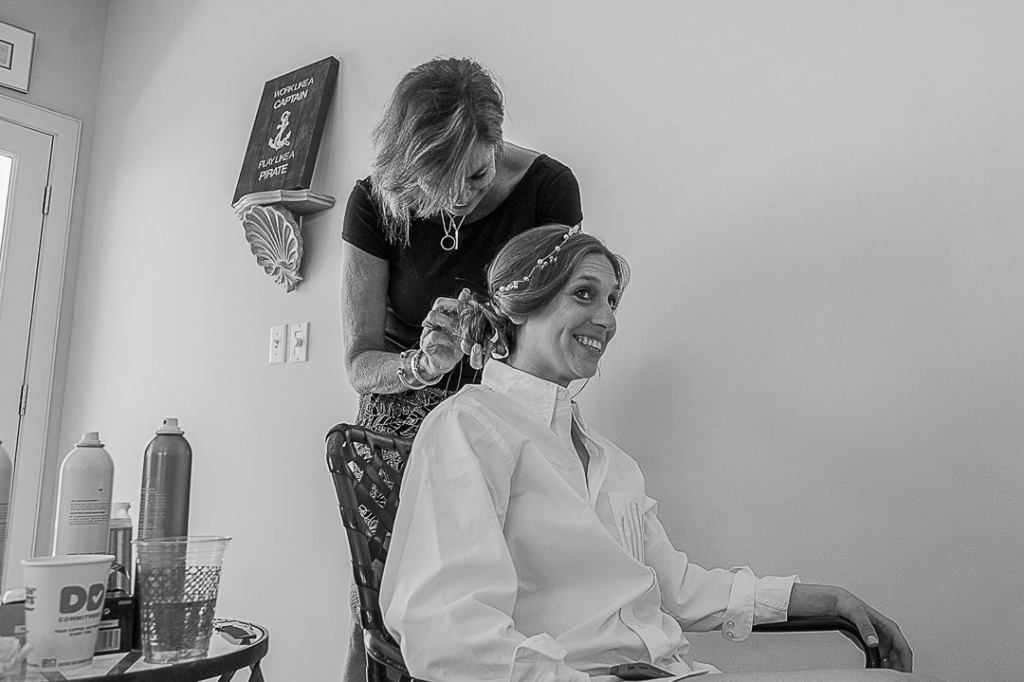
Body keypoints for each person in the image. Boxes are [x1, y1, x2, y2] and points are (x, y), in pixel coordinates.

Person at [380, 225, 944, 682]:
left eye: (612, 300)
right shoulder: (468, 427)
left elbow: (680, 589)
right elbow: (449, 632)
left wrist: (826, 597)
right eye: (585, 293)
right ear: (521, 304)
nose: (606, 318)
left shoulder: (611, 462)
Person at [340, 58, 583, 681]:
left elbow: (557, 337)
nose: (457, 199)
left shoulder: (549, 190)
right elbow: (360, 362)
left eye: (474, 174)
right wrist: (422, 365)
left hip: (507, 426)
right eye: (437, 186)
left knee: (514, 606)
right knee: (392, 614)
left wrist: (495, 339)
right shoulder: (374, 202)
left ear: (496, 140)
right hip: (401, 428)